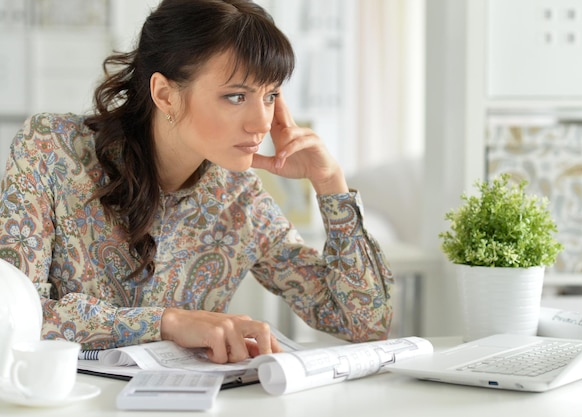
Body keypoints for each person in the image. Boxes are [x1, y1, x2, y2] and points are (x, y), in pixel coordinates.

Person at [0, 0, 393, 364]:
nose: (261, 123)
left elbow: (364, 323)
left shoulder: (239, 199)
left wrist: (331, 186)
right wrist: (166, 323)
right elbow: (12, 314)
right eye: (237, 97)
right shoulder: (50, 149)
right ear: (165, 95)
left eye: (270, 95)